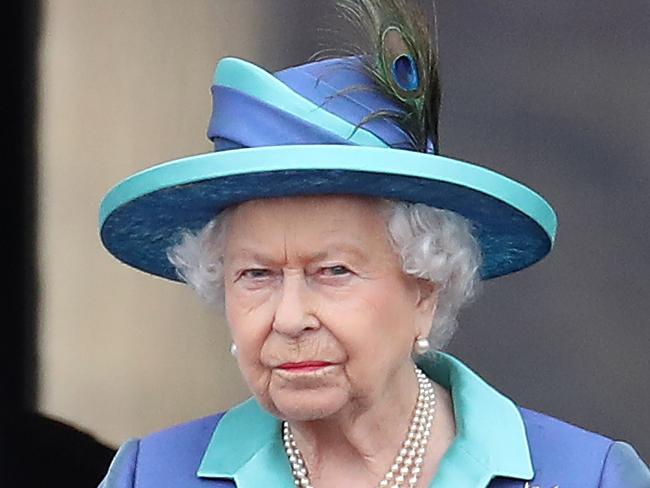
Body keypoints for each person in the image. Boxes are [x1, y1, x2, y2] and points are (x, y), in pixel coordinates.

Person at [97, 1, 649, 486]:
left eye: (333, 271)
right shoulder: (151, 475)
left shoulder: (586, 476)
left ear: (425, 291)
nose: (289, 318)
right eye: (256, 275)